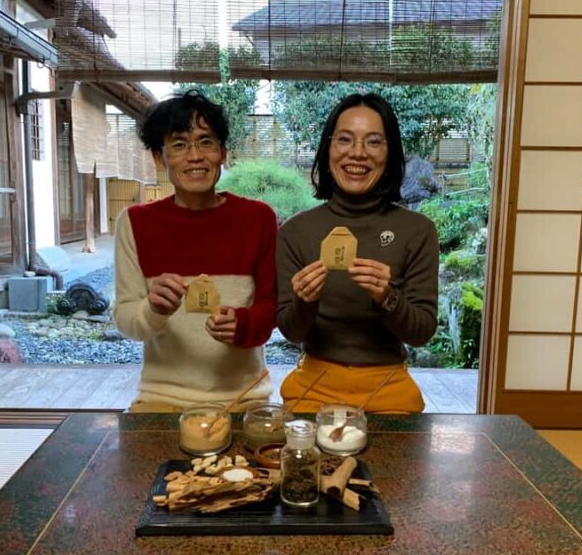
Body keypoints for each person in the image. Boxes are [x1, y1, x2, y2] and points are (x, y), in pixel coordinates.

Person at [113, 90, 277, 411]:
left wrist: (243, 324)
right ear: (160, 158)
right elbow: (125, 317)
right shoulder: (134, 222)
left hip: (245, 397)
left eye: (206, 142)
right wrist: (152, 309)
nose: (195, 156)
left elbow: (271, 307)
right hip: (162, 396)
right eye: (179, 145)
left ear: (223, 153)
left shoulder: (258, 218)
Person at [276, 93, 438, 413]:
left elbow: (422, 332)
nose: (358, 153)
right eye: (345, 140)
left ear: (390, 153)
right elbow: (291, 330)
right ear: (329, 148)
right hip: (313, 382)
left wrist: (388, 298)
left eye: (374, 141)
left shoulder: (417, 230)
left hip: (387, 384)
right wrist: (305, 301)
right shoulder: (296, 231)